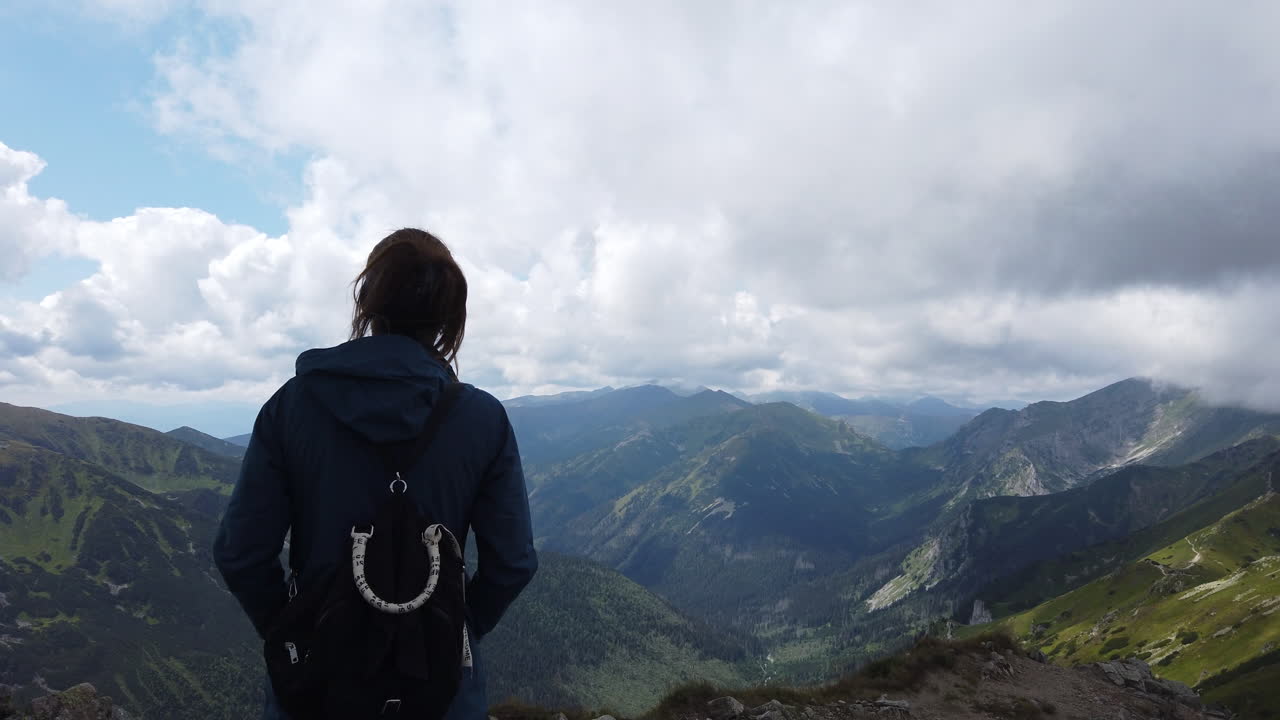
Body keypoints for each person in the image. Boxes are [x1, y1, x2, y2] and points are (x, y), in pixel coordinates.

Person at [213, 228, 538, 719]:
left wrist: (294, 626)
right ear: (450, 314)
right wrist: (453, 624)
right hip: (442, 688)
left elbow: (240, 553)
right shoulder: (482, 419)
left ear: (369, 301)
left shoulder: (293, 407)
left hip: (316, 683)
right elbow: (512, 562)